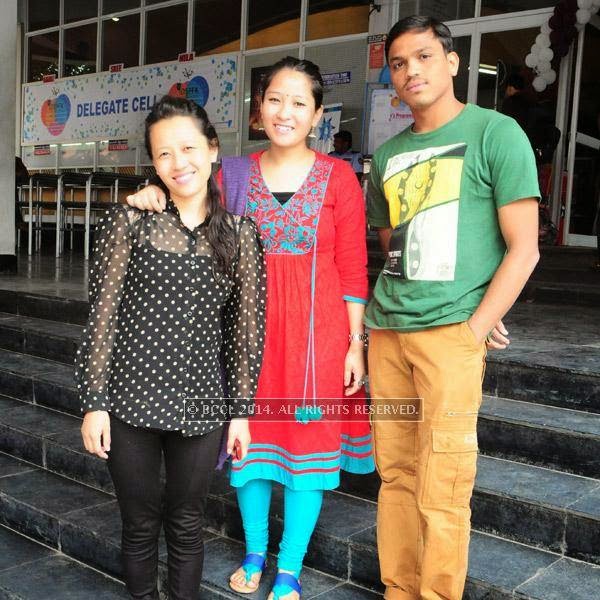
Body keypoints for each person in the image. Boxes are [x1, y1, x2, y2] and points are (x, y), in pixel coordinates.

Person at [126, 57, 375, 600]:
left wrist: (355, 345)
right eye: (275, 100)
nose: (285, 111)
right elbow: (185, 196)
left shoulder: (340, 178)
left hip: (318, 339)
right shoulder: (231, 173)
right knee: (251, 450)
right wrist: (149, 193)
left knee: (307, 459)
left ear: (317, 114)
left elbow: (354, 267)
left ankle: (289, 566)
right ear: (259, 109)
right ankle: (256, 551)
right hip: (247, 337)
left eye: (299, 103)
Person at [366, 16, 540, 600]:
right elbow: (393, 240)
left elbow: (525, 247)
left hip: (450, 340)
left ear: (452, 62)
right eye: (397, 63)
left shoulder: (496, 133)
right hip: (387, 332)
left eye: (422, 57)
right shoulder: (389, 154)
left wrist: (478, 323)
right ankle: (399, 589)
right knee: (395, 476)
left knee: (444, 482)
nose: (410, 71)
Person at [77, 95, 266, 600]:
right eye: (164, 154)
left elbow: (246, 334)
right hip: (129, 399)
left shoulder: (241, 234)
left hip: (202, 404)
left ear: (211, 150)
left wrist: (241, 413)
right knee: (139, 523)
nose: (178, 163)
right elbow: (102, 317)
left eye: (187, 148)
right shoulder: (130, 223)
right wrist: (94, 403)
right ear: (153, 163)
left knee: (187, 522)